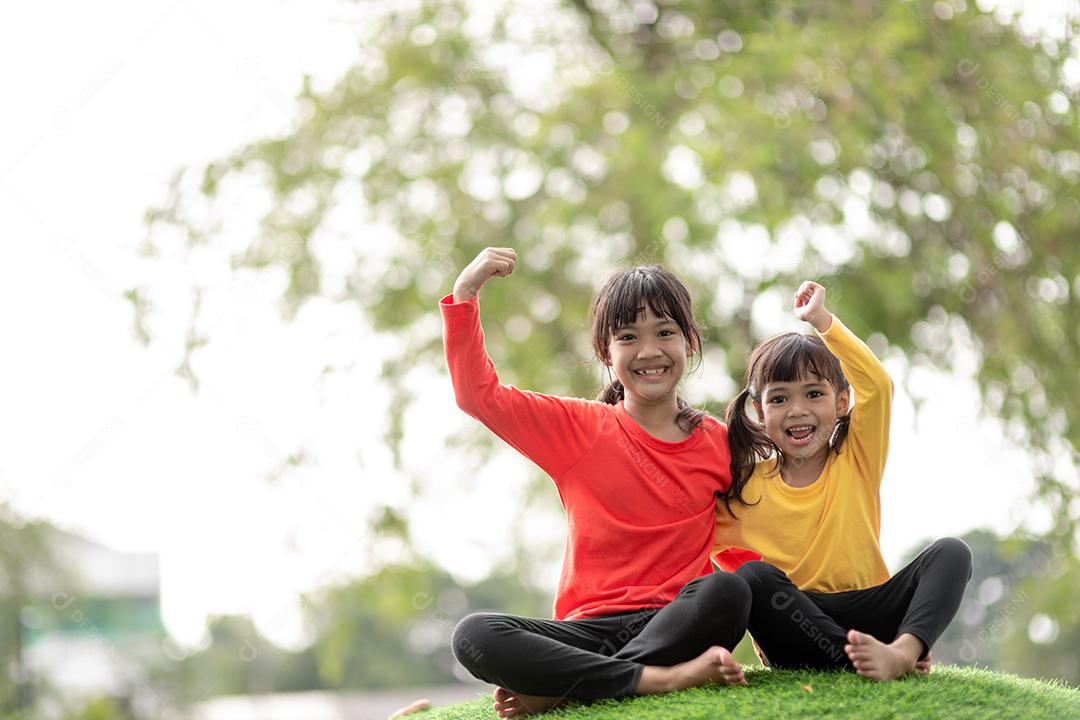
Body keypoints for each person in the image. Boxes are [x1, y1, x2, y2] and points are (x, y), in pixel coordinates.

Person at [443, 247, 750, 718]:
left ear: (690, 341)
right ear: (607, 354)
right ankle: (656, 679)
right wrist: (465, 294)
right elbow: (478, 396)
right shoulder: (578, 428)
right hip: (586, 630)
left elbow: (777, 512)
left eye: (665, 332)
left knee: (728, 591)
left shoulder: (719, 442)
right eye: (628, 337)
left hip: (676, 623)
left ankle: (570, 689)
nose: (649, 351)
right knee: (474, 634)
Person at [714, 280, 972, 681]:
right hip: (798, 625)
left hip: (872, 615)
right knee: (752, 578)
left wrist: (821, 320)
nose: (797, 410)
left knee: (952, 552)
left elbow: (878, 386)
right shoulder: (745, 488)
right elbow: (698, 544)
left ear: (841, 402)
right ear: (761, 414)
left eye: (813, 394)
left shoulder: (856, 457)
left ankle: (902, 653)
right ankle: (859, 663)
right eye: (779, 399)